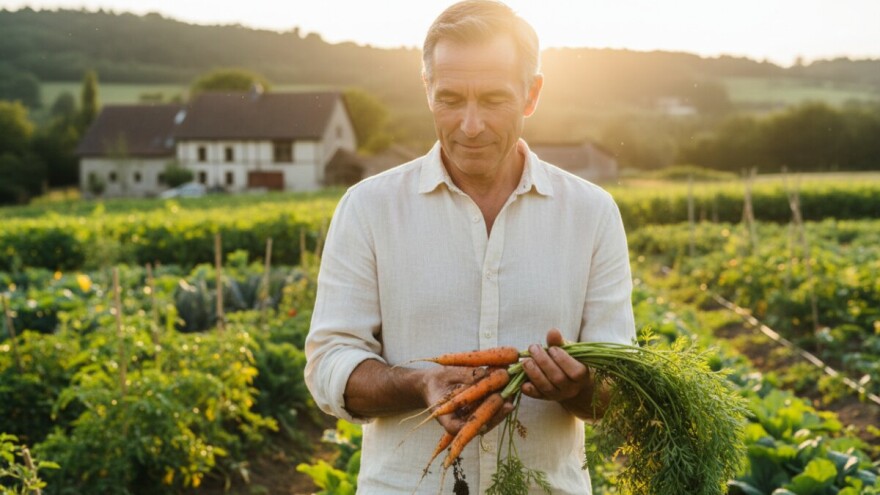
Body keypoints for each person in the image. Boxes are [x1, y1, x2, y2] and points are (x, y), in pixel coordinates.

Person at [304, 1, 635, 493]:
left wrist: (580, 387)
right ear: (427, 89)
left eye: (493, 100)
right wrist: (420, 384)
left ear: (532, 94)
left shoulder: (591, 212)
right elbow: (329, 364)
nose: (471, 125)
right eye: (451, 99)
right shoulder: (368, 207)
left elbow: (617, 385)